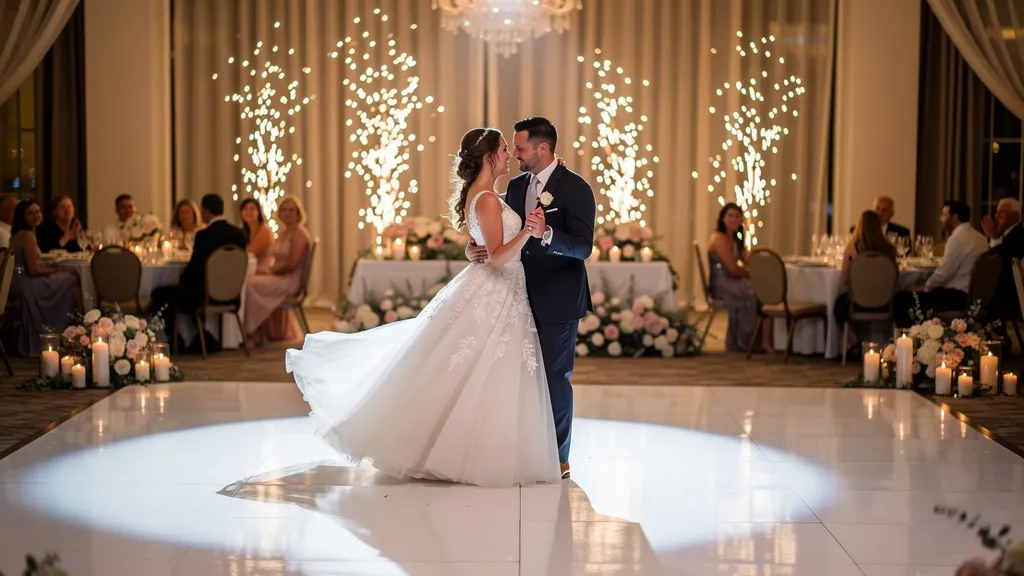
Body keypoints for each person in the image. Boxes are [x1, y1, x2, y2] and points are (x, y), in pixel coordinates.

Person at [287, 127, 568, 487]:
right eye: (503, 149)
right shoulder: (485, 198)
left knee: (475, 369)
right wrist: (529, 230)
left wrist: (476, 248)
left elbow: (482, 246)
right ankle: (467, 452)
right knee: (479, 367)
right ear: (489, 158)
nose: (509, 155)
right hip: (496, 290)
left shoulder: (482, 195)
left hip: (500, 292)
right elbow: (497, 258)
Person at [467, 116, 595, 479]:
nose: (516, 155)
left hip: (558, 297)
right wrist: (473, 246)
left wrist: (549, 233)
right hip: (514, 295)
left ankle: (558, 458)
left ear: (542, 148)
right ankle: (521, 448)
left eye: (519, 147)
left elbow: (584, 247)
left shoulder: (576, 188)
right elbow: (494, 227)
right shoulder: (518, 183)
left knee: (555, 378)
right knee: (519, 377)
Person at [149, 194, 246, 351]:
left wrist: (180, 280)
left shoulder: (204, 235)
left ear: (205, 211)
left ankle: (177, 343)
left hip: (205, 296)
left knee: (159, 294)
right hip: (232, 295)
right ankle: (205, 340)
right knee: (184, 293)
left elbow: (195, 269)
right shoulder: (239, 234)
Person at [894, 200, 987, 327]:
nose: (941, 218)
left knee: (902, 299)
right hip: (972, 295)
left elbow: (944, 272)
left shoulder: (958, 239)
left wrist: (925, 287)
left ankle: (909, 339)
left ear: (954, 217)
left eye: (944, 215)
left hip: (959, 297)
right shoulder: (978, 236)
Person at [8, 200, 82, 356]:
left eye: (38, 211)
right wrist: (55, 270)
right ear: (22, 217)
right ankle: (81, 327)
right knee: (72, 279)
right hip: (25, 283)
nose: (36, 216)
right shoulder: (27, 236)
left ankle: (76, 328)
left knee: (68, 275)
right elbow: (33, 270)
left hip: (18, 280)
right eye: (30, 213)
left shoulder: (19, 234)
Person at [707, 203, 774, 354]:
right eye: (730, 216)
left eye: (737, 216)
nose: (734, 219)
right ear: (723, 218)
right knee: (753, 290)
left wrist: (757, 261)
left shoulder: (734, 237)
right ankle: (746, 341)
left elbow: (746, 258)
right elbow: (732, 269)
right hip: (721, 283)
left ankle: (763, 341)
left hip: (731, 280)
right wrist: (754, 275)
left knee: (763, 289)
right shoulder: (720, 239)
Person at [244, 196, 311, 345]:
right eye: (284, 210)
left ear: (298, 214)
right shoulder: (284, 232)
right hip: (281, 275)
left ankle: (254, 332)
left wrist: (270, 272)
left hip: (290, 280)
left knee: (250, 285)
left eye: (291, 210)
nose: (287, 213)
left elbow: (292, 264)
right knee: (249, 280)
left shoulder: (299, 234)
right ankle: (258, 330)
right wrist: (268, 271)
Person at [834, 210, 897, 352]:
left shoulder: (852, 247)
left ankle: (855, 341)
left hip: (858, 302)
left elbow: (844, 279)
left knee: (839, 306)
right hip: (884, 302)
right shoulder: (890, 249)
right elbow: (894, 279)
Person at [240, 198, 273, 271]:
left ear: (258, 212)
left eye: (252, 209)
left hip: (263, 271)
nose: (248, 212)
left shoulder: (264, 230)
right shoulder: (245, 231)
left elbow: (250, 253)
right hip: (251, 270)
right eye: (245, 209)